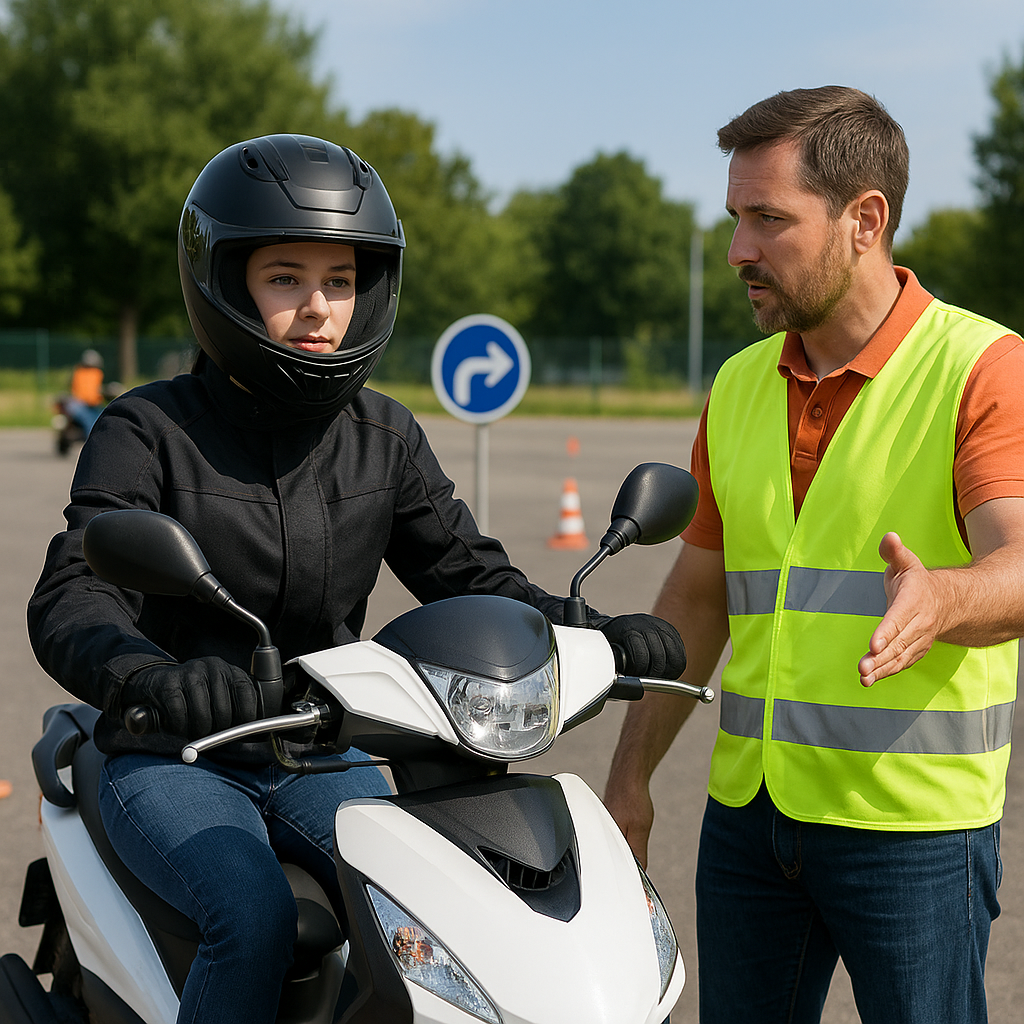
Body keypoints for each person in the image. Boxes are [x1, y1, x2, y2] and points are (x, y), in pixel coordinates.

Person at [27, 133, 684, 1024]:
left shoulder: (383, 434)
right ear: (224, 283)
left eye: (339, 281)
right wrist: (147, 675)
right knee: (252, 917)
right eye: (285, 278)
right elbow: (76, 591)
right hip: (169, 750)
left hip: (317, 746)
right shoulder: (147, 431)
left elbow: (466, 572)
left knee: (443, 900)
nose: (317, 308)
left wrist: (590, 630)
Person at [603, 87, 1024, 1024]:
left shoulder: (983, 368)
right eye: (734, 218)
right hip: (749, 825)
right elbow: (700, 593)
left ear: (863, 219)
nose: (737, 251)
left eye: (768, 219)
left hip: (911, 829)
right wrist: (629, 777)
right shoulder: (741, 380)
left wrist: (947, 597)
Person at [64, 348, 106, 436]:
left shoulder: (79, 371)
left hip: (87, 404)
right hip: (81, 404)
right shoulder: (91, 373)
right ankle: (92, 440)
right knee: (90, 421)